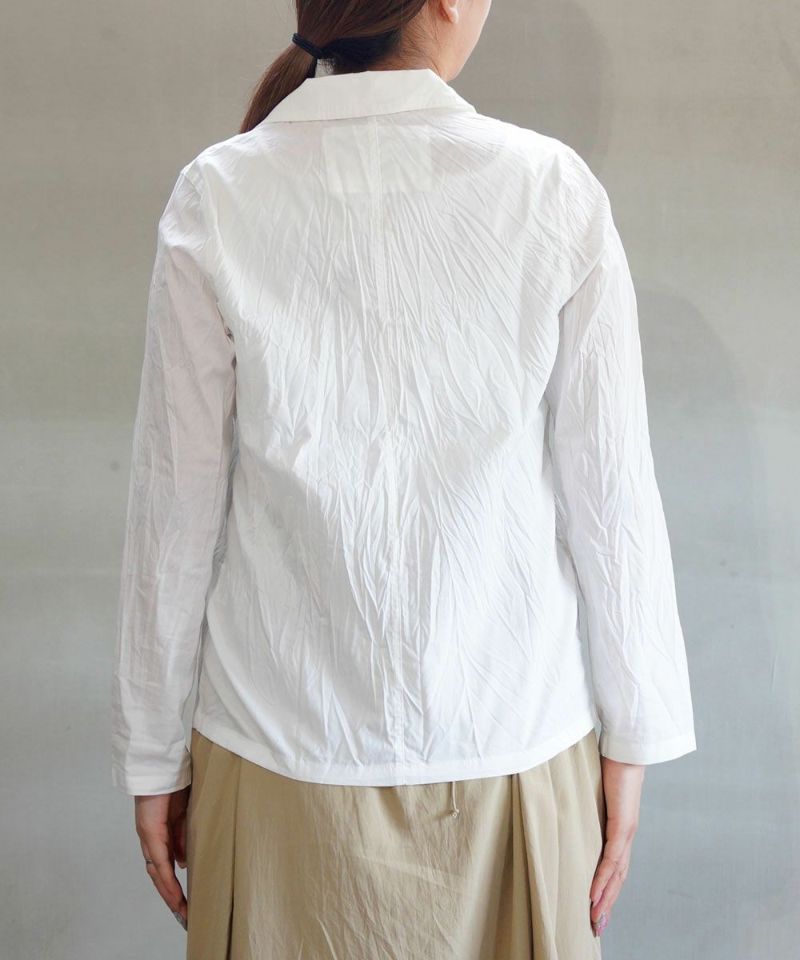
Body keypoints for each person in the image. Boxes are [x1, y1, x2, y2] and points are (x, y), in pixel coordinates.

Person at [110, 1, 698, 956]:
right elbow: (614, 494)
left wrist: (152, 750)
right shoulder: (548, 189)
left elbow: (173, 505)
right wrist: (633, 738)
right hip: (513, 746)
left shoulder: (219, 192)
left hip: (275, 749)